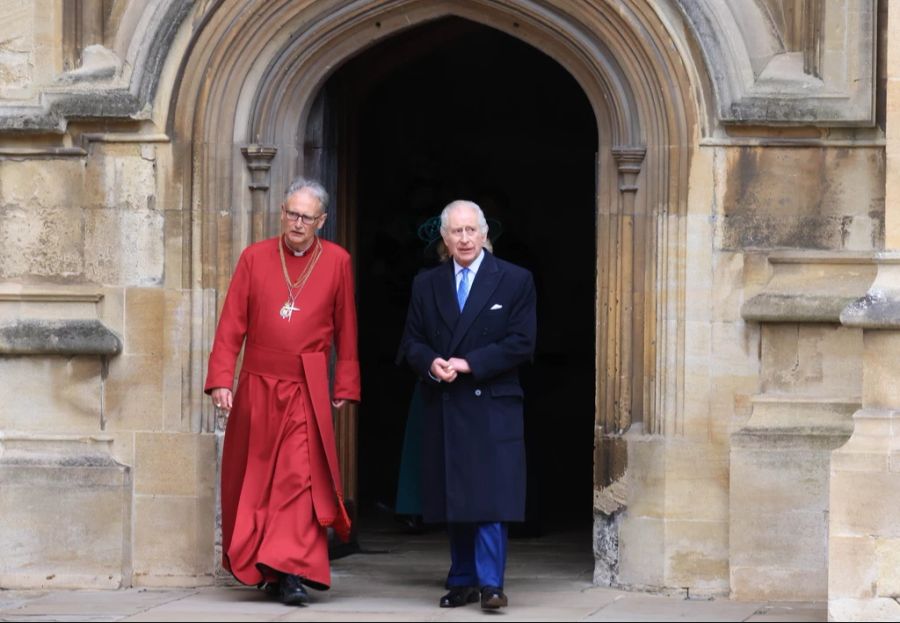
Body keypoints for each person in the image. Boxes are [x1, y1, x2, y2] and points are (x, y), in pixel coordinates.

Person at [205, 177, 360, 606]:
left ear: (321, 221)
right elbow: (232, 321)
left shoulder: (338, 261)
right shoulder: (254, 258)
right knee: (258, 482)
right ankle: (268, 567)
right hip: (257, 384)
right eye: (291, 213)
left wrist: (345, 380)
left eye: (306, 217)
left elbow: (346, 327)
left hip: (306, 387)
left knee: (297, 477)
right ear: (282, 214)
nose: (296, 223)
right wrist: (221, 376)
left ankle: (292, 570)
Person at [397, 200, 537, 610]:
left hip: (492, 402)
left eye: (470, 230)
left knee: (490, 496)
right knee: (455, 495)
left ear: (484, 234)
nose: (464, 238)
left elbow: (522, 343)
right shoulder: (427, 283)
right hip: (445, 400)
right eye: (455, 232)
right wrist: (431, 363)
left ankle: (491, 583)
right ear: (444, 238)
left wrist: (469, 362)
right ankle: (461, 579)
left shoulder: (514, 279)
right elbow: (411, 342)